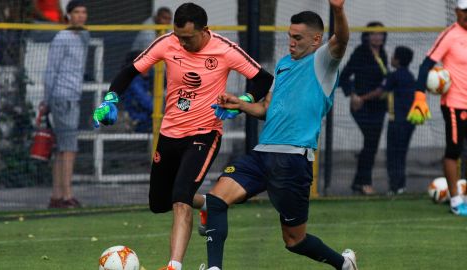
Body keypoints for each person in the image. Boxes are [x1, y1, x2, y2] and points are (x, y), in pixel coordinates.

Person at [92, 3, 273, 269]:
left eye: (188, 38)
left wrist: (242, 100)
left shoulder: (224, 49)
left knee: (180, 199)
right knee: (159, 203)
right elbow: (130, 70)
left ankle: (174, 265)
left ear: (204, 30)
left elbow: (263, 79)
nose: (183, 43)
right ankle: (209, 205)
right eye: (179, 37)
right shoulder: (167, 43)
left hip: (204, 133)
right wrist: (109, 100)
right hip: (169, 134)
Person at [199, 1, 355, 269]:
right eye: (289, 36)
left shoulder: (323, 62)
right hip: (262, 155)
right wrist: (240, 104)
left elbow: (341, 39)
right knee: (215, 200)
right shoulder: (283, 65)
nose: (291, 43)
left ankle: (343, 264)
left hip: (293, 160)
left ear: (316, 39)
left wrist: (338, 10)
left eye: (297, 38)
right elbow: (266, 109)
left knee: (295, 241)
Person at [407, 0, 467, 216]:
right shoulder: (450, 35)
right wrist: (420, 95)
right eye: (464, 11)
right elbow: (425, 66)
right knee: (453, 151)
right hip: (455, 105)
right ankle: (456, 201)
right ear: (457, 11)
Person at [40, 0, 89, 208]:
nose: (80, 16)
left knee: (63, 148)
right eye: (76, 12)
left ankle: (57, 196)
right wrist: (47, 100)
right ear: (68, 15)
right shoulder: (62, 37)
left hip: (73, 96)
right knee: (68, 148)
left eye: (83, 12)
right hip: (62, 97)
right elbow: (51, 70)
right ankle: (67, 195)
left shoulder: (84, 37)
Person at [339, 21, 389, 195]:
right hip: (360, 106)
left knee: (371, 145)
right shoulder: (361, 53)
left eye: (380, 33)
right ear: (366, 36)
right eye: (373, 33)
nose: (377, 37)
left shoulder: (382, 53)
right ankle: (365, 182)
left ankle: (358, 183)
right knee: (370, 142)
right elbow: (344, 76)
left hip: (379, 106)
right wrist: (353, 94)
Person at [384, 46, 416, 195]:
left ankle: (394, 186)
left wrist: (364, 97)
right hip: (409, 122)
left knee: (393, 154)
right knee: (401, 154)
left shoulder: (394, 76)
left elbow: (382, 92)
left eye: (393, 56)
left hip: (396, 122)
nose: (390, 59)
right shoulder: (410, 76)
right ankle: (401, 185)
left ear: (397, 60)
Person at [122, 51, 154, 133]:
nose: (149, 66)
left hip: (145, 118)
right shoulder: (133, 81)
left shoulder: (146, 79)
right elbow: (149, 104)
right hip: (135, 120)